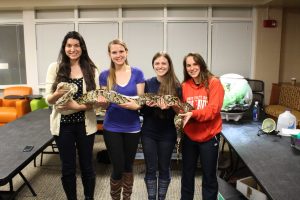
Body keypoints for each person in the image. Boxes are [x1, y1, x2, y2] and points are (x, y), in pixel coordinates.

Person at [45, 31, 99, 200]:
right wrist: (57, 94)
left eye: (76, 45)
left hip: (85, 125)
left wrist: (75, 105)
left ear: (82, 48)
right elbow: (48, 99)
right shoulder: (55, 67)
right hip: (63, 127)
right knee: (67, 168)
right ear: (64, 47)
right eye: (69, 45)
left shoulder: (91, 69)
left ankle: (88, 197)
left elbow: (95, 101)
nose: (73, 49)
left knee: (87, 166)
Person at [98, 39, 145, 200]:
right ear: (110, 55)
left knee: (128, 166)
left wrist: (136, 106)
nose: (118, 55)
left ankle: (127, 197)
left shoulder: (137, 73)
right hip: (112, 127)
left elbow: (140, 101)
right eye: (114, 52)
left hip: (132, 127)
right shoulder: (105, 75)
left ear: (126, 52)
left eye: (121, 51)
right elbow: (104, 106)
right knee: (117, 166)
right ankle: (115, 198)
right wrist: (102, 103)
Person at [179, 53, 224, 200]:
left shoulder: (214, 83)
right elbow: (180, 109)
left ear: (201, 65)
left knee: (209, 176)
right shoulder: (184, 86)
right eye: (188, 65)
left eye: (195, 64)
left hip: (210, 137)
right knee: (187, 174)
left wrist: (193, 114)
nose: (192, 68)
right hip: (190, 137)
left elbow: (213, 110)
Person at [140, 52, 181, 200]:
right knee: (150, 168)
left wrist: (168, 108)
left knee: (164, 167)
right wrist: (149, 106)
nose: (160, 66)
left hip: (167, 133)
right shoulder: (147, 83)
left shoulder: (176, 86)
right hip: (148, 133)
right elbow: (142, 111)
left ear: (169, 65)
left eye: (164, 63)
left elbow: (179, 112)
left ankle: (161, 197)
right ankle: (152, 197)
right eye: (157, 63)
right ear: (153, 65)